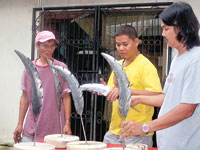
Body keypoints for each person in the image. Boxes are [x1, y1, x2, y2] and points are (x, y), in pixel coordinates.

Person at [120, 2, 200, 150]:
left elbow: (187, 108)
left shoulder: (196, 58)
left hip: (185, 145)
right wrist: (139, 99)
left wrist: (145, 127)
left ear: (181, 27)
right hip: (169, 144)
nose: (163, 34)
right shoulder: (178, 58)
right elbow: (168, 98)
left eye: (166, 29)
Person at [101, 25, 162, 147]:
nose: (121, 48)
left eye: (125, 44)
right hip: (114, 130)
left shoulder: (146, 66)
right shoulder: (117, 65)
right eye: (118, 45)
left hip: (137, 131)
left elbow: (157, 95)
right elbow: (115, 91)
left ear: (136, 42)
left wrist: (126, 92)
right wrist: (105, 90)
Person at [13, 31, 72, 143]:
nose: (49, 49)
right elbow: (25, 97)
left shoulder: (61, 68)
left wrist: (67, 123)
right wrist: (20, 124)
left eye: (52, 46)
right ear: (37, 46)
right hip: (31, 131)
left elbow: (66, 97)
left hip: (56, 131)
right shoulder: (29, 69)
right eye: (45, 46)